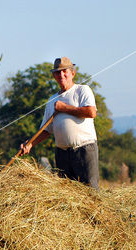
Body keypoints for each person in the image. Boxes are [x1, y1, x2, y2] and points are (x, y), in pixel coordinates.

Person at [21, 57, 99, 189]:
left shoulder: (82, 90)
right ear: (54, 76)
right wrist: (30, 144)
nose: (61, 75)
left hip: (84, 150)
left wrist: (64, 108)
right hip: (62, 154)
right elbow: (46, 129)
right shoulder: (52, 100)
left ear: (72, 73)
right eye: (57, 72)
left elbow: (91, 112)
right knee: (66, 195)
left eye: (64, 71)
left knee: (90, 192)